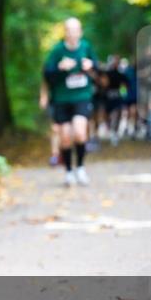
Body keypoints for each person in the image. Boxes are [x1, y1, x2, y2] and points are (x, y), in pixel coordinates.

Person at [42, 18, 98, 187]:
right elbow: (46, 74)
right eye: (69, 30)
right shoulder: (57, 50)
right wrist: (60, 68)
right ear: (65, 32)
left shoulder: (86, 47)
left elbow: (98, 69)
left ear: (80, 32)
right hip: (61, 99)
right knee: (65, 138)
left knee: (80, 133)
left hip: (82, 97)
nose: (73, 34)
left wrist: (91, 66)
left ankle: (80, 167)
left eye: (76, 30)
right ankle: (68, 171)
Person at [39, 76, 60, 166]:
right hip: (54, 101)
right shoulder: (51, 68)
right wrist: (43, 96)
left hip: (71, 102)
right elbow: (45, 81)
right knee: (55, 128)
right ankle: (55, 154)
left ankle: (64, 151)